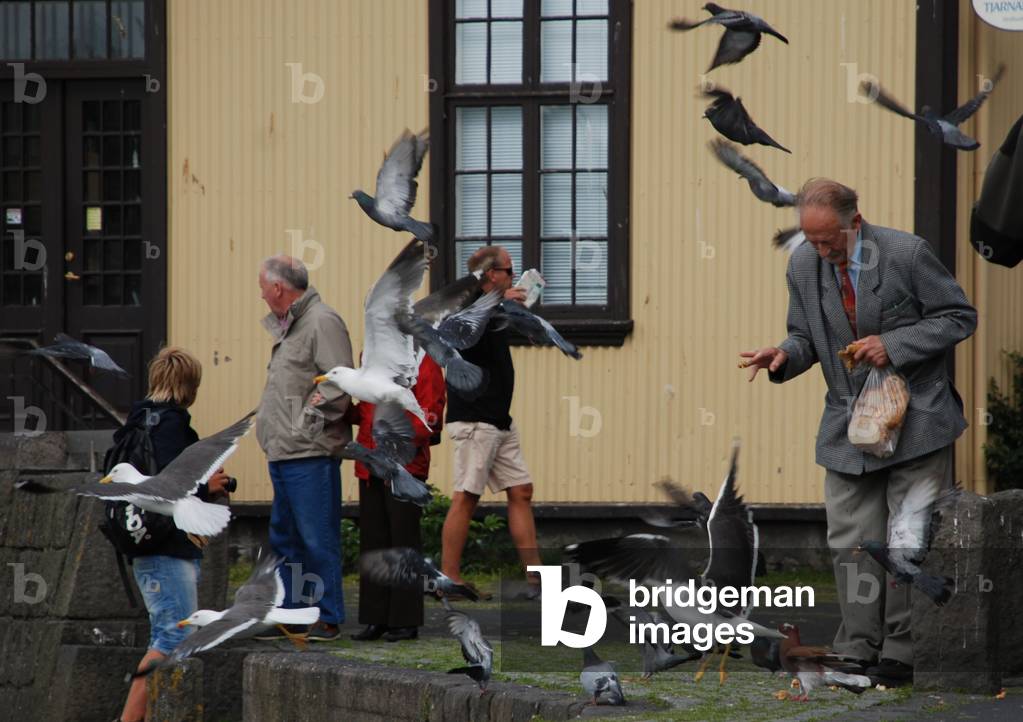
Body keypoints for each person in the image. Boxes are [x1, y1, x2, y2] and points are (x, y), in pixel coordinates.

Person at [741, 178, 977, 686]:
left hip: (917, 418)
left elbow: (958, 317)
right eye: (812, 239)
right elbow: (805, 335)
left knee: (905, 538)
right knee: (852, 538)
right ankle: (856, 647)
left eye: (830, 240)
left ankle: (900, 652)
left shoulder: (907, 254)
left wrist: (894, 343)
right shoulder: (804, 264)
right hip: (848, 425)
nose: (822, 251)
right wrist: (783, 356)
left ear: (855, 220)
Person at [118, 347, 232, 722]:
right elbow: (168, 489)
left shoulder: (134, 424)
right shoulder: (171, 427)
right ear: (190, 387)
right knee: (171, 638)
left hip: (142, 541)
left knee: (166, 635)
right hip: (167, 547)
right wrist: (206, 489)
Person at [255, 255, 354, 641]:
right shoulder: (292, 326)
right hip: (284, 452)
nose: (261, 294)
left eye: (263, 286)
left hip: (309, 453)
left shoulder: (321, 321)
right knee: (286, 539)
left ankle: (328, 617)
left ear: (278, 287)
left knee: (317, 537)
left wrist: (304, 426)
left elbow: (337, 381)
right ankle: (294, 613)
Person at [441, 245, 543, 598]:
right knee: (466, 497)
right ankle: (449, 578)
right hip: (475, 420)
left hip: (499, 419)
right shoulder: (466, 307)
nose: (514, 278)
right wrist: (500, 303)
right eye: (510, 272)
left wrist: (520, 316)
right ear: (490, 275)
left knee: (521, 491)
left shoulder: (495, 308)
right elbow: (462, 327)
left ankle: (535, 580)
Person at [348, 354, 446, 642]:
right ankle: (376, 618)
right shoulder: (372, 353)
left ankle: (405, 620)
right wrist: (342, 411)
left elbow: (430, 413)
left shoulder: (422, 357)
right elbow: (366, 406)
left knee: (402, 541)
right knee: (374, 540)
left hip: (404, 465)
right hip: (371, 462)